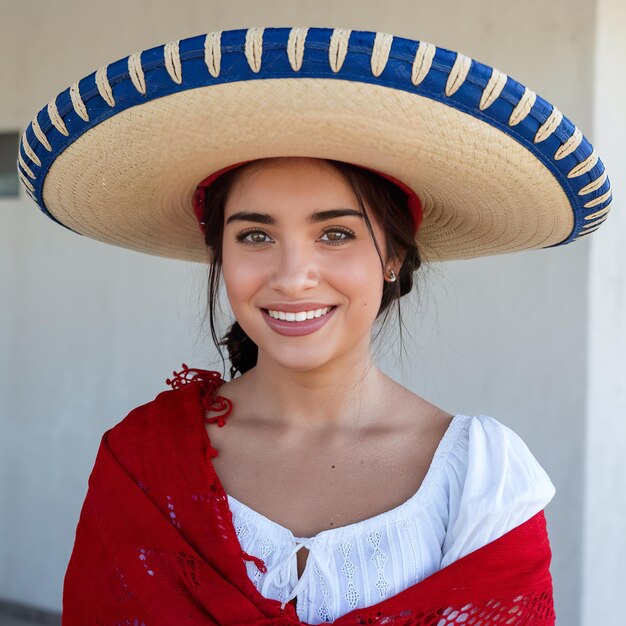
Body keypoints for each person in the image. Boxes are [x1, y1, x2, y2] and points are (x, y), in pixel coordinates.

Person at [18, 26, 611, 625]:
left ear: (392, 257)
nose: (293, 276)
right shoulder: (144, 462)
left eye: (335, 233)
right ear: (220, 254)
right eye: (255, 235)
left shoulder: (481, 479)